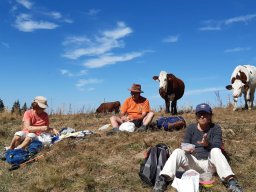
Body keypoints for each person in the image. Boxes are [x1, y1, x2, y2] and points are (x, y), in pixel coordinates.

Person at [153, 103, 243, 192]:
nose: (202, 116)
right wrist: (187, 148)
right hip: (194, 163)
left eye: (205, 114)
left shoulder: (215, 128)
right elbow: (185, 144)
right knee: (177, 151)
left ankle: (232, 182)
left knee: (215, 150)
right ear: (196, 116)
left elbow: (218, 145)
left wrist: (207, 144)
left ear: (210, 115)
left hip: (210, 164)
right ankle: (162, 180)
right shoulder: (191, 128)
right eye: (199, 114)